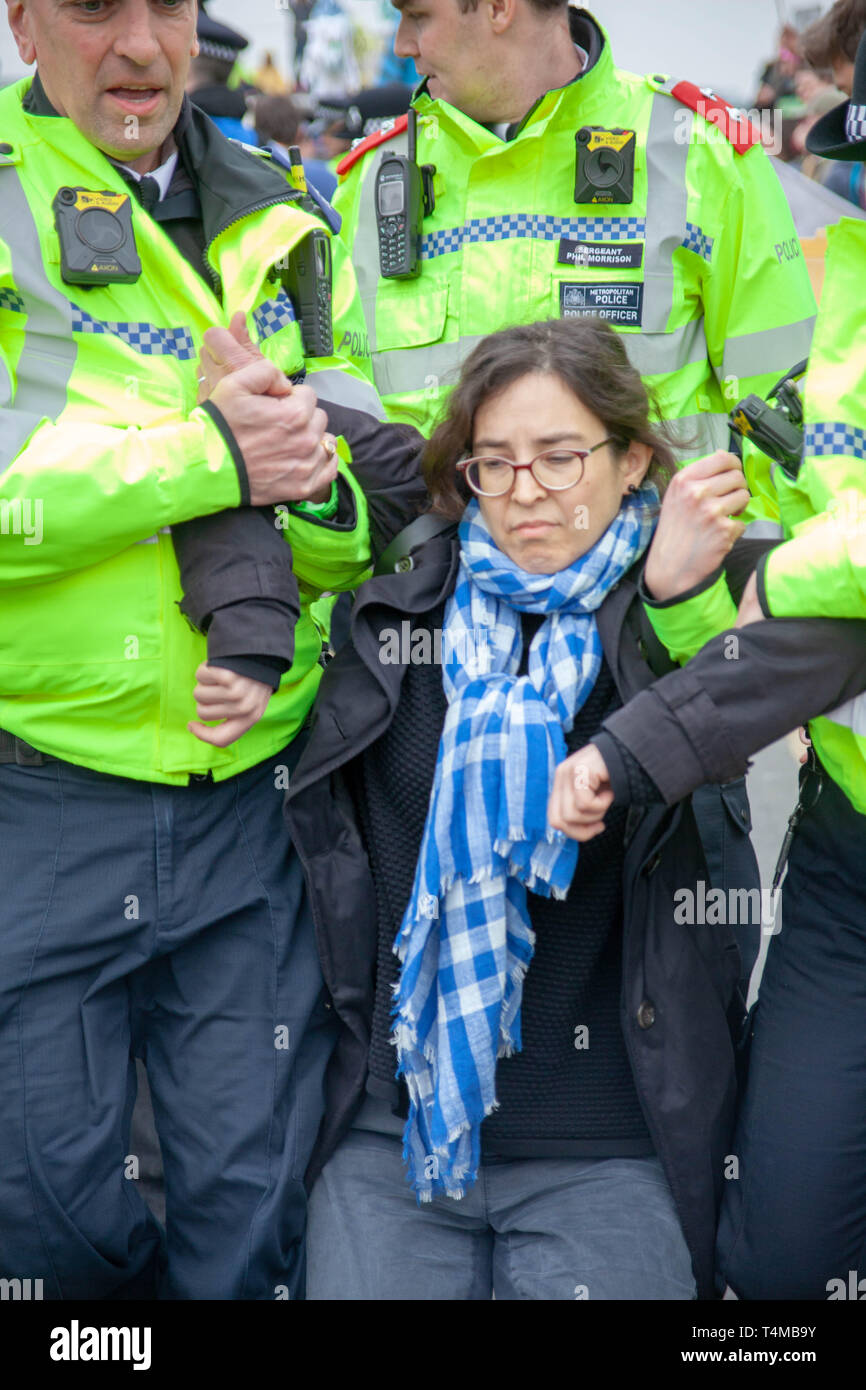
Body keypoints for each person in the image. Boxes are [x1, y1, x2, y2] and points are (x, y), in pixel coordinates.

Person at [0, 0, 423, 1301]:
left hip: (255, 803)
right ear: (24, 24)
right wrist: (211, 457)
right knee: (46, 1205)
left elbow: (362, 510)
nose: (137, 46)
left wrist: (314, 491)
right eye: (91, 9)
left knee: (248, 1216)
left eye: (164, 8)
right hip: (47, 790)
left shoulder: (294, 215)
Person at [284, 315, 761, 1301]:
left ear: (632, 461)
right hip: (392, 1132)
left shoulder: (667, 618)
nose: (523, 492)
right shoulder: (394, 616)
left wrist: (674, 603)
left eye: (557, 457)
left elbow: (726, 753)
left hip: (608, 1144)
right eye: (491, 464)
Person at [556, 34, 866, 1300]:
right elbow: (758, 640)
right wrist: (686, 593)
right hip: (850, 858)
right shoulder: (821, 297)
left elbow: (798, 587)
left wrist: (781, 575)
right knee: (774, 1253)